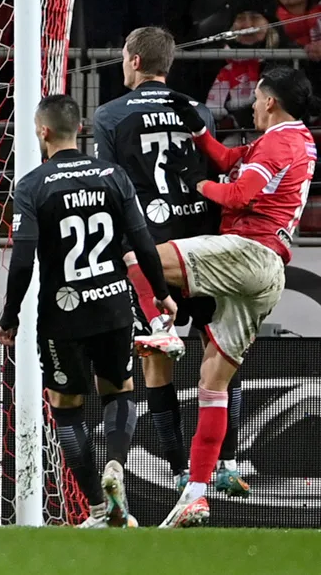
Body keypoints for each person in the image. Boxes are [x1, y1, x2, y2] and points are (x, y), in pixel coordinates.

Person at [0, 93, 176, 529]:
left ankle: (98, 507)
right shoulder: (113, 175)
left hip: (64, 312)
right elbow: (142, 241)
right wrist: (160, 293)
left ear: (43, 131)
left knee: (66, 405)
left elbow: (22, 261)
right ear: (79, 128)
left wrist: (10, 316)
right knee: (119, 389)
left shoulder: (33, 185)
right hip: (114, 303)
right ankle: (116, 463)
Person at [157, 65, 318, 528]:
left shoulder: (280, 141)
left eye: (256, 98)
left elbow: (238, 195)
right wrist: (198, 132)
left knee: (139, 257)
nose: (250, 107)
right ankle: (197, 494)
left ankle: (158, 326)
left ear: (270, 101)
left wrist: (197, 185)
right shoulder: (293, 139)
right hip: (269, 271)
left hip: (248, 251)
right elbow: (230, 159)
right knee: (212, 386)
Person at [93, 27, 249, 499]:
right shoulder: (199, 110)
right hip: (204, 247)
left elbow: (110, 189)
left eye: (123, 55)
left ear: (135, 61)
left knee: (157, 363)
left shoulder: (109, 115)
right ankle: (225, 463)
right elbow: (215, 169)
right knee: (220, 353)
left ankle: (182, 471)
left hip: (152, 254)